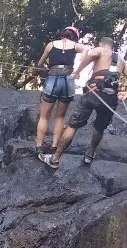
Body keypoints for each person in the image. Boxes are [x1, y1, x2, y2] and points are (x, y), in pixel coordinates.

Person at [39, 37, 127, 169]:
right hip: (110, 98)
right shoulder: (120, 60)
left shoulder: (100, 50)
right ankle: (90, 153)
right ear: (112, 46)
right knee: (99, 127)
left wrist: (77, 71)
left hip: (94, 92)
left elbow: (92, 55)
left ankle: (55, 159)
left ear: (102, 44)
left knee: (72, 125)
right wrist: (126, 93)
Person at [34, 26, 89, 155]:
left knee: (44, 116)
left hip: (53, 79)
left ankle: (39, 146)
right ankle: (54, 145)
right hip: (68, 81)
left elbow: (40, 63)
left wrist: (43, 68)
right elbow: (86, 49)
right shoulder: (76, 46)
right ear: (74, 36)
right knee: (60, 116)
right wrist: (78, 70)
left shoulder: (51, 45)